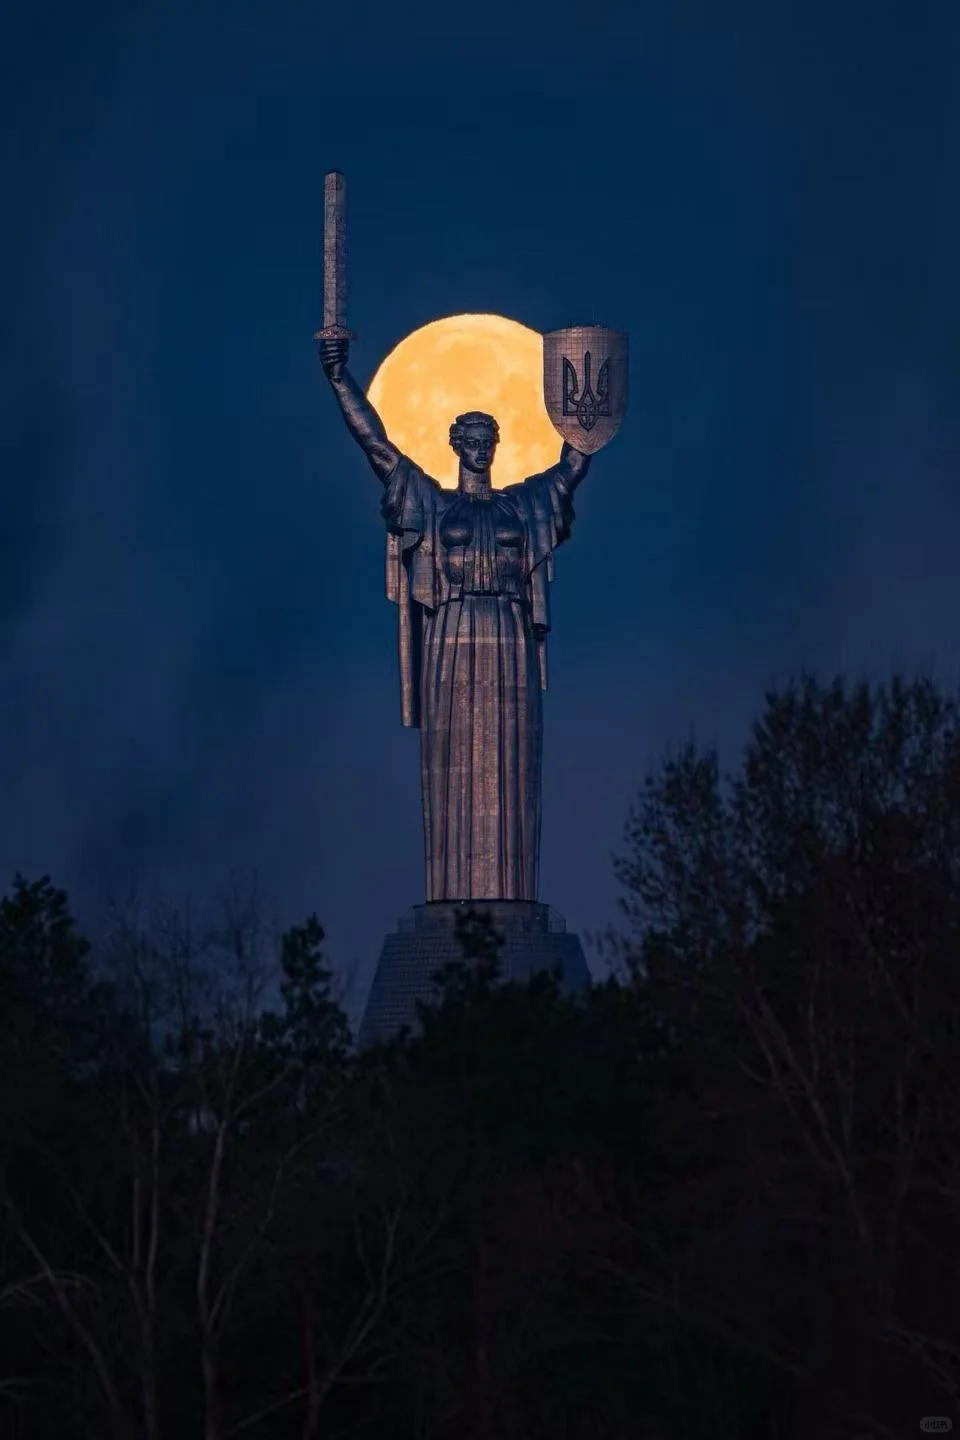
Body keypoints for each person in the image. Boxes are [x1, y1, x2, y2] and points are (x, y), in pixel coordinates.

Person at [318, 336, 590, 903]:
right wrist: (341, 381)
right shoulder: (433, 505)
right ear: (455, 445)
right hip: (451, 633)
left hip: (510, 632)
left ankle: (513, 898)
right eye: (471, 441)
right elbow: (377, 447)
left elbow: (571, 468)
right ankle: (450, 899)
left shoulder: (522, 506)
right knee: (450, 765)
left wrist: (586, 410)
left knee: (514, 765)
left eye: (488, 440)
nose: (481, 449)